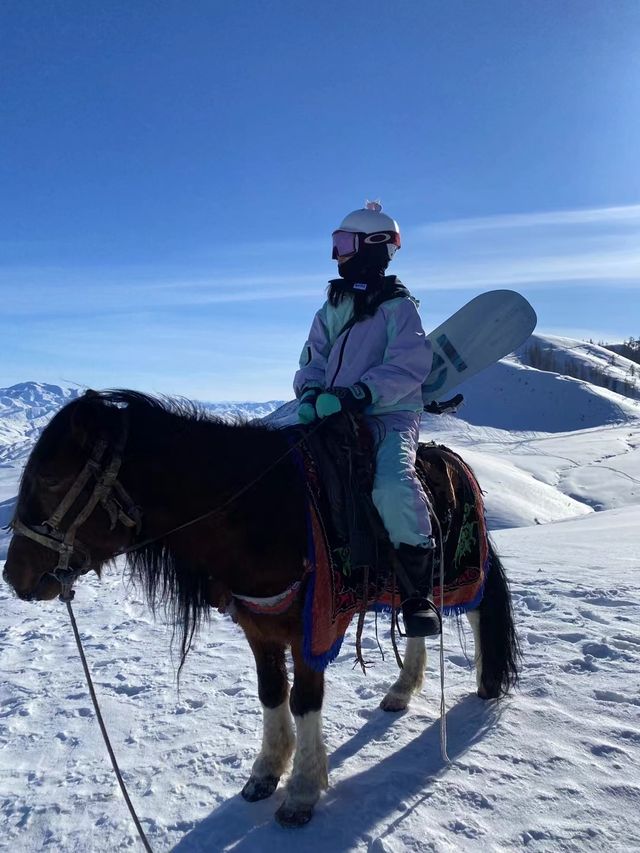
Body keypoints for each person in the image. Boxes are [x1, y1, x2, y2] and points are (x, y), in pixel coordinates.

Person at [293, 201, 440, 637]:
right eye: (335, 245)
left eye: (343, 244)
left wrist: (361, 393)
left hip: (391, 414)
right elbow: (313, 359)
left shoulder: (399, 309)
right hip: (330, 412)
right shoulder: (330, 309)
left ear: (372, 247)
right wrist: (310, 392)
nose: (337, 255)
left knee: (392, 484)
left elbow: (409, 365)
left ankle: (417, 594)